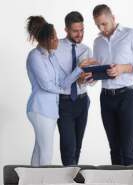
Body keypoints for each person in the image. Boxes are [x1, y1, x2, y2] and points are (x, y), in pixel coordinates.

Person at [25, 16, 95, 166]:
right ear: (46, 39)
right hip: (41, 108)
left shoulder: (50, 57)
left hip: (54, 108)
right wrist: (66, 92)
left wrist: (81, 70)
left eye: (81, 30)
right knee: (47, 152)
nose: (57, 40)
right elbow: (47, 85)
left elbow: (63, 82)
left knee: (40, 150)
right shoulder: (35, 56)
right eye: (54, 38)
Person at [92, 4, 133, 165]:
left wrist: (123, 68)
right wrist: (90, 76)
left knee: (127, 146)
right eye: (98, 25)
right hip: (106, 97)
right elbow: (99, 70)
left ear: (113, 18)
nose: (101, 28)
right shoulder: (97, 42)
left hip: (127, 96)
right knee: (114, 148)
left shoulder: (131, 35)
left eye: (104, 23)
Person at [54, 11, 94, 166]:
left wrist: (88, 78)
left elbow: (89, 82)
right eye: (75, 31)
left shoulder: (86, 49)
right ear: (66, 30)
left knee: (77, 147)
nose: (79, 34)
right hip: (64, 103)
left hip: (82, 102)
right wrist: (79, 69)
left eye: (82, 30)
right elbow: (61, 84)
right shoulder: (55, 49)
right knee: (68, 147)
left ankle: (73, 184)